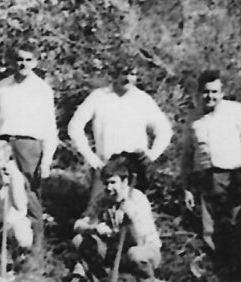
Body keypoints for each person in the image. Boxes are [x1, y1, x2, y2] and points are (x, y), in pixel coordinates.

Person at [181, 70, 241, 282]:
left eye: (214, 92)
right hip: (205, 178)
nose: (210, 96)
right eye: (206, 92)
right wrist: (186, 187)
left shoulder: (235, 110)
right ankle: (220, 280)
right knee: (210, 231)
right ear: (199, 93)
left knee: (236, 229)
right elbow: (187, 155)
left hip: (233, 177)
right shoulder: (193, 118)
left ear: (222, 92)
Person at [0, 42, 59, 265]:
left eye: (28, 60)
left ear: (35, 62)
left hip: (29, 146)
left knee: (28, 195)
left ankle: (34, 253)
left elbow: (50, 127)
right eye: (19, 59)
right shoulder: (3, 86)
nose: (23, 64)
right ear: (13, 61)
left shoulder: (42, 89)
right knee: (0, 189)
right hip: (3, 143)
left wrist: (46, 160)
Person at [67, 62, 173, 214]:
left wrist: (152, 154)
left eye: (132, 74)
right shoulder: (99, 97)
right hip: (106, 168)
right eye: (124, 73)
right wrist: (92, 159)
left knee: (134, 215)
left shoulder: (143, 99)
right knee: (97, 214)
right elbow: (75, 127)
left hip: (134, 170)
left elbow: (164, 129)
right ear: (114, 74)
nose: (128, 78)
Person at [71, 155, 162, 282]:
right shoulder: (103, 199)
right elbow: (78, 225)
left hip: (144, 250)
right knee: (79, 240)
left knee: (135, 254)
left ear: (124, 182)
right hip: (115, 250)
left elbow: (139, 240)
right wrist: (94, 228)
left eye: (113, 182)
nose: (108, 187)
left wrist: (130, 217)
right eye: (106, 183)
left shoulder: (137, 199)